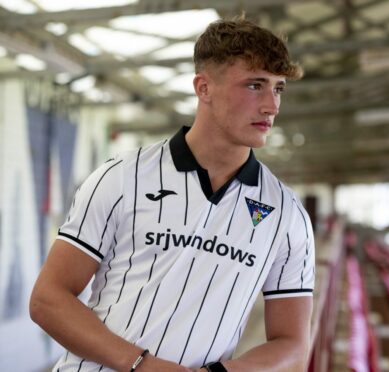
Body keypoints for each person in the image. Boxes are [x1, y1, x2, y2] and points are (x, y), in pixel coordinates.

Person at [30, 15, 315, 372]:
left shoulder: (287, 214)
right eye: (255, 85)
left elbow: (293, 344)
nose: (271, 106)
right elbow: (47, 299)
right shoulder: (121, 178)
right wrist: (141, 364)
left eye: (278, 88)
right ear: (204, 88)